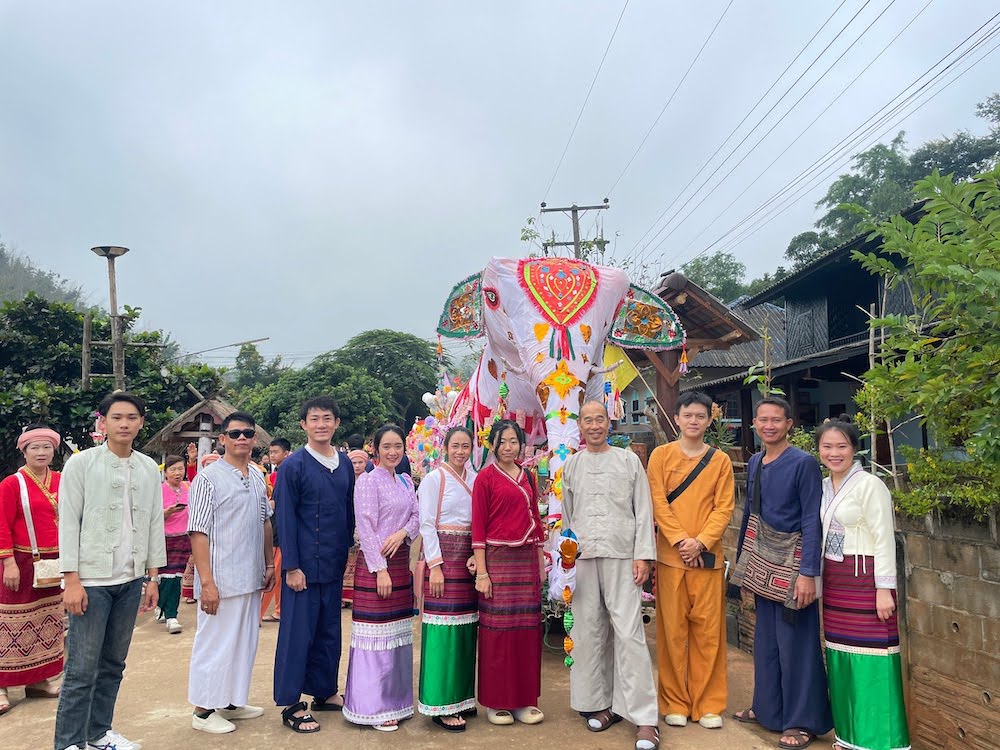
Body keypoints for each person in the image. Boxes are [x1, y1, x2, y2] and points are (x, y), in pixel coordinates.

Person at [55, 392, 165, 750]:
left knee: (114, 664)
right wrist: (71, 579)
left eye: (131, 417)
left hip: (130, 580)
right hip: (91, 581)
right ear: (102, 422)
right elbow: (69, 522)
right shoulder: (82, 464)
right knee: (81, 670)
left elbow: (152, 525)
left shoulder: (148, 467)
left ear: (141, 423)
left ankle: (98, 733)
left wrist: (152, 576)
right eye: (116, 417)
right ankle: (70, 743)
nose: (124, 424)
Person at [733, 397, 833, 749]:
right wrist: (742, 566)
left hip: (793, 567)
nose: (769, 426)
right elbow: (749, 515)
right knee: (766, 643)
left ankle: (802, 721)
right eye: (763, 420)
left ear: (789, 423)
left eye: (776, 420)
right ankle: (768, 710)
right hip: (762, 565)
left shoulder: (803, 463)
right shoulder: (757, 460)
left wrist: (809, 574)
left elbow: (811, 519)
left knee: (798, 645)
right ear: (755, 424)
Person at [562, 402, 660, 750]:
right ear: (580, 425)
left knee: (629, 633)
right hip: (585, 558)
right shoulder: (571, 465)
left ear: (609, 422)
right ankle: (600, 704)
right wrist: (567, 561)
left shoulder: (628, 461)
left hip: (623, 556)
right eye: (587, 420)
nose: (593, 426)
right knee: (588, 632)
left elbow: (643, 509)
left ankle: (645, 717)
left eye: (599, 419)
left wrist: (643, 556)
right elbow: (567, 519)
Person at [816, 418, 909, 750]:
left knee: (876, 660)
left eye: (841, 446)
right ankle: (849, 735)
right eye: (827, 446)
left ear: (854, 448)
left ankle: (881, 740)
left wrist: (884, 588)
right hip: (836, 581)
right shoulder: (824, 486)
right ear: (819, 450)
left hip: (866, 580)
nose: (834, 453)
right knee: (841, 657)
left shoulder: (871, 485)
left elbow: (884, 538)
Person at [646, 391, 734, 731]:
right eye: (688, 415)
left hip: (707, 559)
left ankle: (709, 703)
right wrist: (682, 541)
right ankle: (675, 702)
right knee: (672, 633)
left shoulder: (720, 461)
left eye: (700, 416)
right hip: (671, 558)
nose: (694, 421)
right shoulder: (660, 456)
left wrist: (701, 542)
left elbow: (724, 507)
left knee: (709, 633)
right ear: (678, 418)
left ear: (709, 419)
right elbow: (658, 502)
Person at [187, 412, 275, 735]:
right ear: (222, 439)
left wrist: (268, 564)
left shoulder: (255, 475)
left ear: (254, 438)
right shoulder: (207, 479)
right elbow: (198, 532)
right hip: (219, 580)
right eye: (235, 433)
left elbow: (265, 521)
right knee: (215, 644)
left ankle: (232, 701)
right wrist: (207, 582)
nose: (242, 438)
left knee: (244, 643)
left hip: (250, 576)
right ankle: (203, 709)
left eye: (247, 433)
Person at [273, 398, 355, 733]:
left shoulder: (345, 463)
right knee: (296, 634)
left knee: (328, 631)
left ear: (336, 423)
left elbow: (348, 511)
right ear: (303, 425)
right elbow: (285, 519)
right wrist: (291, 566)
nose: (321, 424)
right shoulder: (293, 466)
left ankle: (324, 691)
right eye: (314, 419)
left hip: (333, 564)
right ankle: (291, 702)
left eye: (327, 418)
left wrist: (349, 551)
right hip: (302, 568)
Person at [342, 424, 420, 731]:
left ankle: (396, 700)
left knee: (398, 636)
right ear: (375, 448)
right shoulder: (368, 482)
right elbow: (366, 527)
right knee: (375, 638)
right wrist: (380, 570)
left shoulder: (403, 480)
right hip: (378, 566)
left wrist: (403, 532)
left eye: (397, 446)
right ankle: (372, 705)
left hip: (401, 563)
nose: (392, 452)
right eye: (386, 446)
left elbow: (416, 515)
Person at [472, 419, 546, 727]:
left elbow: (536, 522)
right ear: (492, 444)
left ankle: (524, 700)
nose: (508, 447)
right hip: (497, 561)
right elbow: (478, 528)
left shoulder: (528, 476)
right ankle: (497, 701)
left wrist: (541, 565)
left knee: (527, 632)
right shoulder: (485, 479)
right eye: (502, 441)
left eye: (513, 441)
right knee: (497, 634)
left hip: (526, 559)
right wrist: (482, 573)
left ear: (521, 444)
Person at [416, 426, 479, 732]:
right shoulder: (433, 480)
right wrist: (436, 566)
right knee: (443, 632)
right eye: (455, 445)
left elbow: (479, 522)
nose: (460, 451)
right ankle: (440, 701)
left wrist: (477, 557)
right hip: (443, 561)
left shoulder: (475, 479)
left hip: (468, 563)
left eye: (465, 446)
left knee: (466, 628)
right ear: (445, 447)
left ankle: (463, 697)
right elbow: (427, 524)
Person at [0, 425, 64, 715]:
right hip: (21, 562)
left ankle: (38, 680)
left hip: (56, 562)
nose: (41, 452)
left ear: (54, 450)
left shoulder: (62, 480)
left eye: (46, 447)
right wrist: (8, 562)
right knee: (10, 624)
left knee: (46, 622)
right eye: (34, 448)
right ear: (23, 451)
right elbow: (1, 523)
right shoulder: (12, 484)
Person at [260, 437, 291, 624]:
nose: (272, 455)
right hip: (277, 524)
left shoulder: (285, 472)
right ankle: (279, 610)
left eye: (275, 452)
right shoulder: (276, 473)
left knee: (272, 571)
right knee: (278, 573)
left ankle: (257, 613)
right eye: (270, 452)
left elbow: (277, 501)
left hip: (278, 528)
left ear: (286, 453)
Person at [159, 455, 191, 635]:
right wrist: (167, 512)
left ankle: (170, 613)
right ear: (165, 473)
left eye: (181, 468)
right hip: (165, 537)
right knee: (166, 576)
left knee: (176, 577)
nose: (178, 473)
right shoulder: (160, 490)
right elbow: (153, 516)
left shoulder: (188, 487)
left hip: (184, 537)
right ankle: (166, 610)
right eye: (173, 469)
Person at [342, 449, 368, 607]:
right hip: (348, 524)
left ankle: (357, 596)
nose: (357, 466)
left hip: (362, 526)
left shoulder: (369, 480)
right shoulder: (345, 480)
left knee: (359, 562)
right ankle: (344, 597)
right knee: (346, 562)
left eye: (360, 462)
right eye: (354, 463)